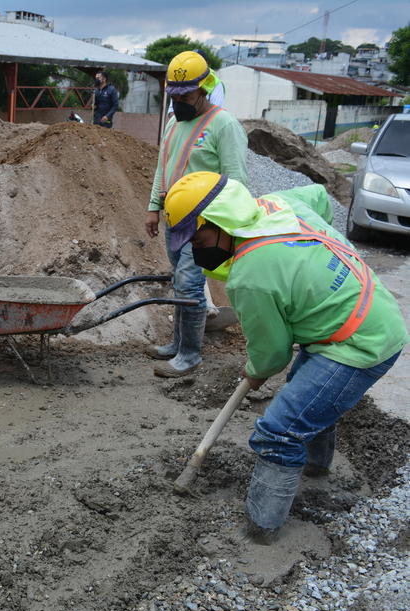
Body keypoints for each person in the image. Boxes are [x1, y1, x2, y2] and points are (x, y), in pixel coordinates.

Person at [162, 171, 407, 543]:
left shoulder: (250, 275)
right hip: (368, 309)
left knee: (279, 431)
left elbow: (272, 353)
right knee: (305, 397)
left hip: (358, 342)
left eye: (201, 237)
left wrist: (255, 370)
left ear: (223, 220)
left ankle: (263, 528)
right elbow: (319, 197)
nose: (197, 250)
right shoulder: (280, 204)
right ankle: (315, 465)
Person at [144, 50, 248, 378]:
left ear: (203, 88)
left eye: (185, 95)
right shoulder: (174, 123)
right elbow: (164, 166)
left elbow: (237, 182)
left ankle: (190, 354)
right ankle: (177, 343)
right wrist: (153, 208)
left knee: (189, 285)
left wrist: (222, 226)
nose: (179, 101)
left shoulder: (224, 125)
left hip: (205, 223)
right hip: (175, 221)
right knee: (180, 282)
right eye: (173, 95)